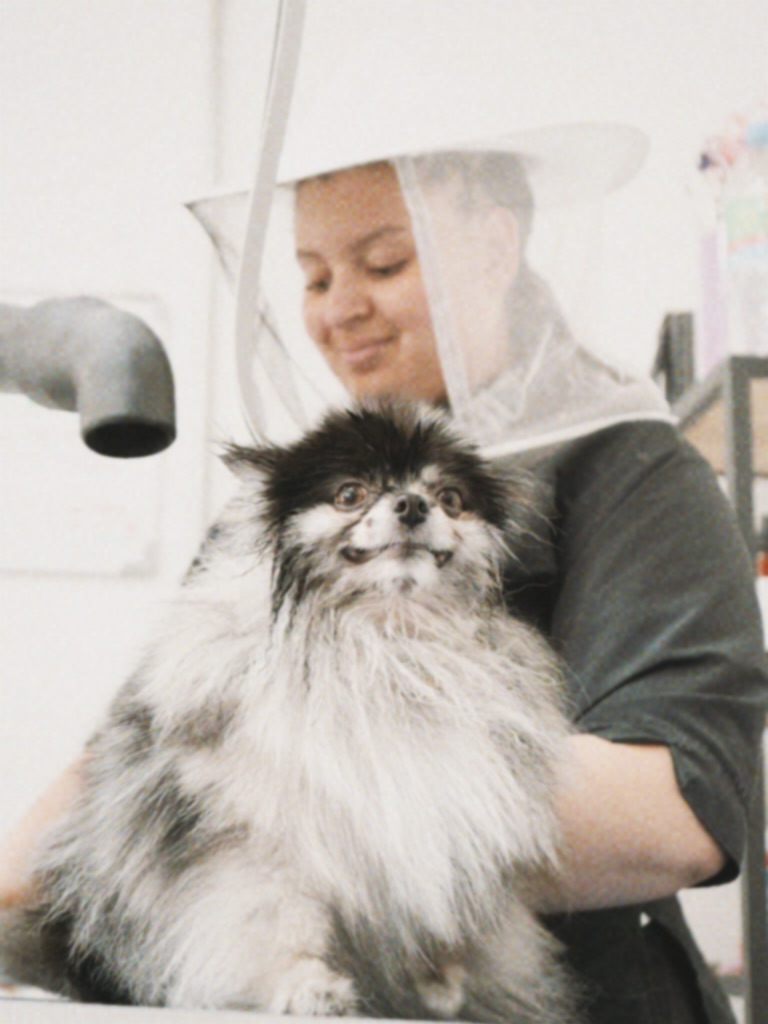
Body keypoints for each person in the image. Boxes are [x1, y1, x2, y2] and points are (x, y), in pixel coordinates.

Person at [2, 142, 767, 1024]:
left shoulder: (633, 471)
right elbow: (139, 755)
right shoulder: (290, 501)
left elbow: (676, 808)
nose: (340, 309)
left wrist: (312, 801)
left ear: (492, 247)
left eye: (383, 263)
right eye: (315, 276)